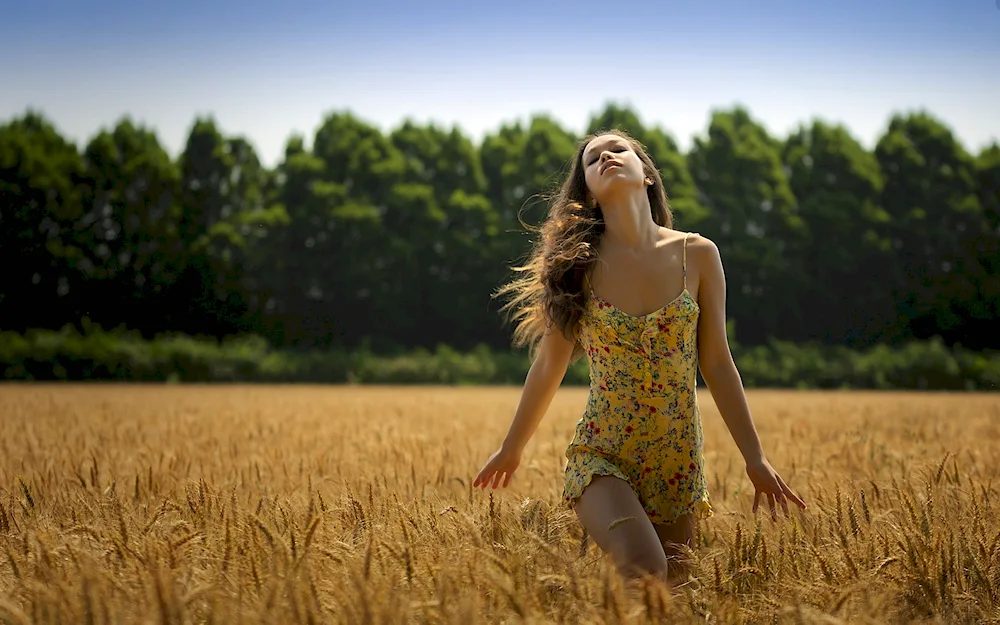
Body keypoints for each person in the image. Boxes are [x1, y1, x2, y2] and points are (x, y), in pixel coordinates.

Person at [472, 128, 807, 585]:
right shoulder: (577, 266)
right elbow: (549, 364)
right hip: (603, 455)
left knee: (675, 593)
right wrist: (511, 449)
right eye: (593, 159)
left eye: (618, 150)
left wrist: (755, 457)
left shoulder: (699, 254)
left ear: (647, 173)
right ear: (587, 191)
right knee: (646, 571)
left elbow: (717, 362)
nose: (607, 157)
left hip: (678, 459)